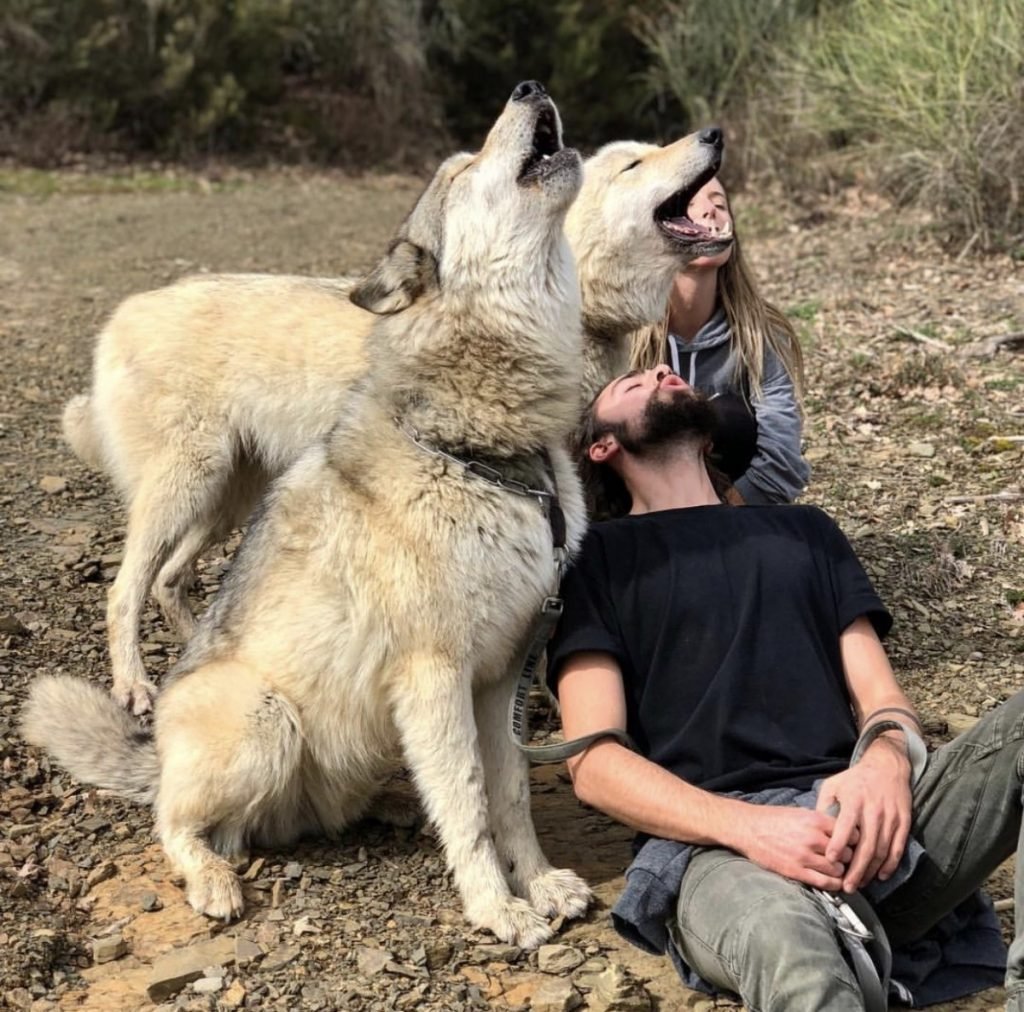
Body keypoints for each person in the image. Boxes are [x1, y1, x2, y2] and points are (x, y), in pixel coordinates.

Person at [548, 364, 1020, 1011]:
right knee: (793, 951)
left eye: (666, 371)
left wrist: (883, 763)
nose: (661, 370)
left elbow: (882, 698)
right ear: (602, 447)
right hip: (717, 851)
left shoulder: (807, 532)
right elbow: (593, 764)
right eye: (632, 384)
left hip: (866, 824)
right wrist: (749, 828)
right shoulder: (595, 560)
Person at [628, 177, 809, 503]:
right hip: (637, 514)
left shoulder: (760, 333)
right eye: (689, 206)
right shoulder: (622, 330)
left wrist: (722, 514)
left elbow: (784, 456)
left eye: (720, 204)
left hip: (732, 514)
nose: (710, 210)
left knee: (729, 418)